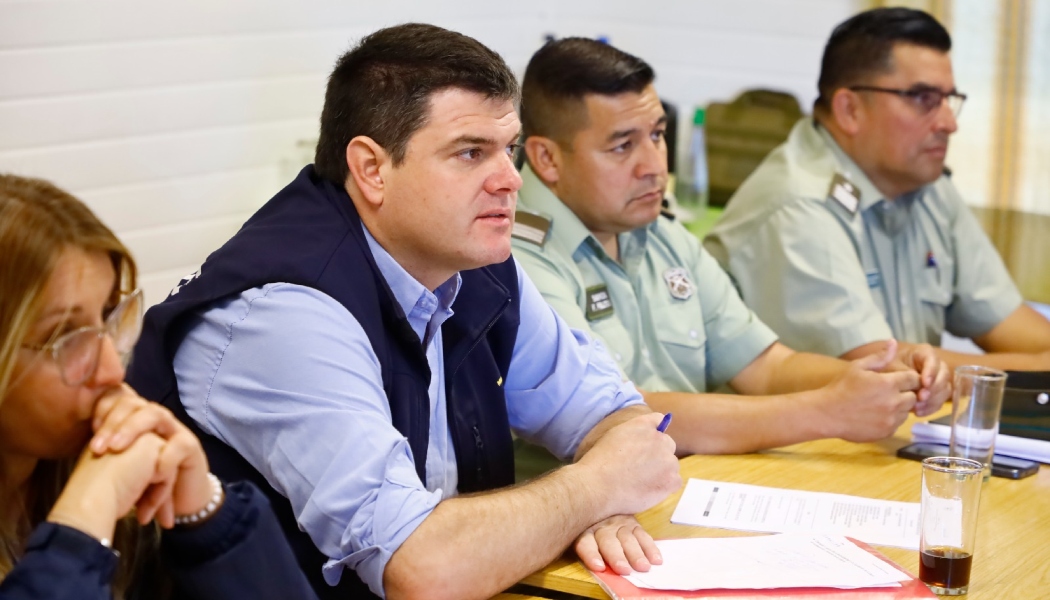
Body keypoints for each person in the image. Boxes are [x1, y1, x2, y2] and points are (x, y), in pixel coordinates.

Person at [126, 24, 681, 600]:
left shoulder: (472, 262)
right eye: (470, 153)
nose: (510, 180)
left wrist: (604, 501)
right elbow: (422, 570)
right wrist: (591, 492)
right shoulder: (285, 313)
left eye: (508, 149)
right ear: (371, 168)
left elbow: (621, 422)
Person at [511, 37, 950, 465]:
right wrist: (826, 412)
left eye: (658, 135)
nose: (654, 166)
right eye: (623, 146)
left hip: (690, 482)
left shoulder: (659, 233)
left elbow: (767, 367)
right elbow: (618, 418)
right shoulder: (514, 255)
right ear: (547, 159)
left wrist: (887, 377)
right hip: (587, 505)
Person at [0, 175, 316, 599]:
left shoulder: (114, 487)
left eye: (110, 318)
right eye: (65, 336)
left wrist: (206, 518)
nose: (111, 370)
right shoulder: (97, 490)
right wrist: (84, 520)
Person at [704, 7, 1050, 371]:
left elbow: (1006, 320)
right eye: (924, 98)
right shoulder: (800, 205)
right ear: (849, 110)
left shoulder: (925, 185)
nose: (949, 123)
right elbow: (880, 368)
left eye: (949, 100)